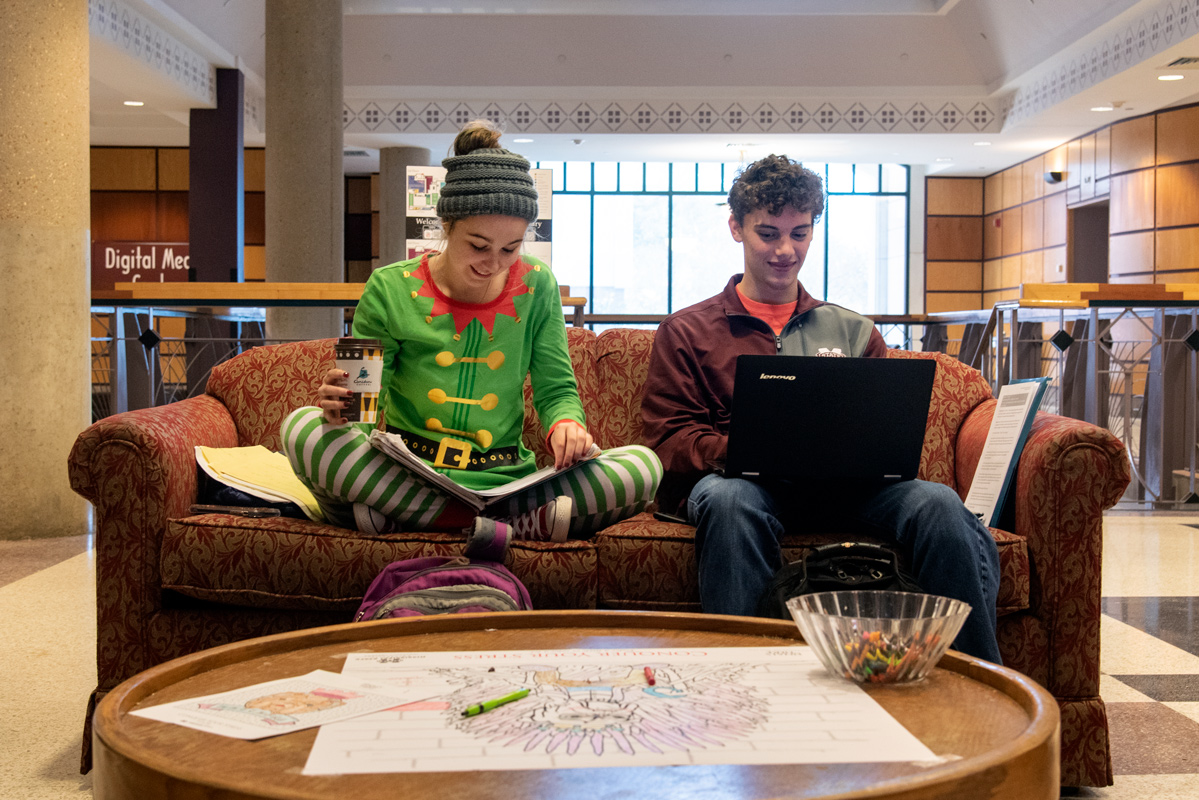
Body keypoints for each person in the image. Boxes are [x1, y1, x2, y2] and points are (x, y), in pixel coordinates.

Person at [640, 154, 1002, 663]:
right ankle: (743, 674)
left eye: (800, 233)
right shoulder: (687, 331)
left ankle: (977, 678)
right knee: (729, 501)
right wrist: (749, 450)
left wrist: (866, 452)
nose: (785, 250)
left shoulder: (853, 331)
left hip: (850, 488)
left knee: (939, 503)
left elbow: (889, 434)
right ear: (736, 229)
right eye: (768, 234)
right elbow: (667, 438)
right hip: (743, 484)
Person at [282, 120, 661, 553]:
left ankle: (405, 517)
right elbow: (364, 407)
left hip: (508, 480)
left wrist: (567, 424)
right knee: (303, 429)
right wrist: (342, 411)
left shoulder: (539, 286)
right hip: (411, 470)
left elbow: (556, 389)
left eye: (511, 248)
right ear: (445, 224)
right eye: (478, 245)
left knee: (642, 465)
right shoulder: (387, 287)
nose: (494, 264)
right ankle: (499, 525)